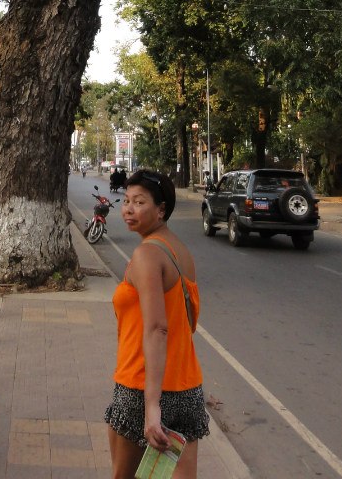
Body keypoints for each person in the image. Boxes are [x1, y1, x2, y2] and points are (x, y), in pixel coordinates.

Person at [105, 169, 209, 479]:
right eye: (126, 201)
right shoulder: (180, 252)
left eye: (139, 202)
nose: (128, 209)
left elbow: (157, 328)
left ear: (161, 209)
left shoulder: (147, 255)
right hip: (187, 386)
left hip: (141, 386)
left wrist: (152, 406)